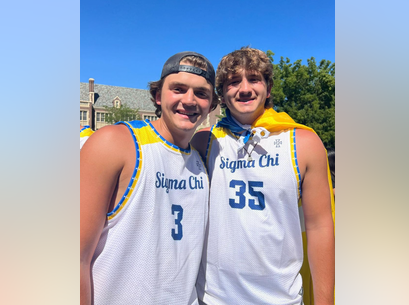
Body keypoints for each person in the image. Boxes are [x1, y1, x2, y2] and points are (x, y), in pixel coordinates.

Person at [192, 47, 335, 305]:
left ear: (268, 89)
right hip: (212, 299)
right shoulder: (203, 142)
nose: (244, 89)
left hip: (281, 298)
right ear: (222, 94)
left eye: (254, 79)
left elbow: (320, 227)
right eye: (234, 82)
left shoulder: (303, 142)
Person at [80, 51, 218, 305]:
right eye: (178, 89)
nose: (189, 100)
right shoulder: (116, 143)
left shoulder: (203, 162)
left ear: (211, 105)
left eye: (201, 93)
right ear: (157, 95)